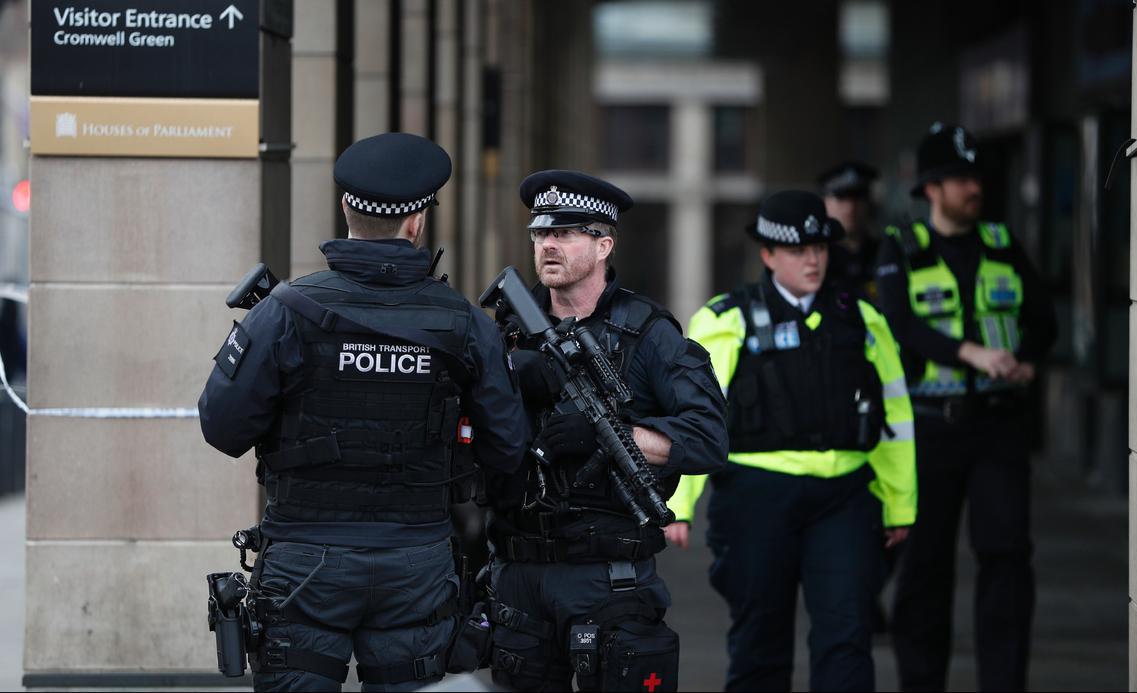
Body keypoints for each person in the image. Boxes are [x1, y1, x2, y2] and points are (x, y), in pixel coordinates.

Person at [198, 132, 528, 692]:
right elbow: (507, 448)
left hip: (304, 563)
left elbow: (222, 427)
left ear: (346, 207)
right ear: (417, 221)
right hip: (416, 564)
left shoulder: (283, 313)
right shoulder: (466, 324)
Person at [483, 169, 728, 692]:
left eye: (565, 233)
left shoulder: (648, 332)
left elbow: (707, 437)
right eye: (540, 234)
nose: (547, 244)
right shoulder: (500, 331)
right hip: (518, 572)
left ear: (603, 246)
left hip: (608, 577)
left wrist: (609, 435)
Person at [665, 190, 917, 692]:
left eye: (820, 248)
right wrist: (679, 501)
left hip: (844, 498)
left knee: (847, 636)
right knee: (760, 640)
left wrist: (899, 502)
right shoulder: (726, 320)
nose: (813, 259)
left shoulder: (863, 320)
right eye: (799, 250)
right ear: (768, 254)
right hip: (756, 498)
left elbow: (895, 417)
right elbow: (692, 417)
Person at [876, 122, 1057, 692]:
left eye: (975, 175)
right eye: (959, 178)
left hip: (999, 428)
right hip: (932, 430)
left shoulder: (1004, 243)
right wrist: (969, 352)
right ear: (931, 187)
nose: (971, 187)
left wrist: (1025, 358)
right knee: (925, 567)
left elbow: (1044, 321)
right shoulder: (901, 246)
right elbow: (900, 327)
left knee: (1006, 560)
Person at [819, 161, 881, 300]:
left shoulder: (886, 252)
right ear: (824, 202)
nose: (850, 208)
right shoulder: (814, 259)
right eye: (841, 198)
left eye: (858, 198)